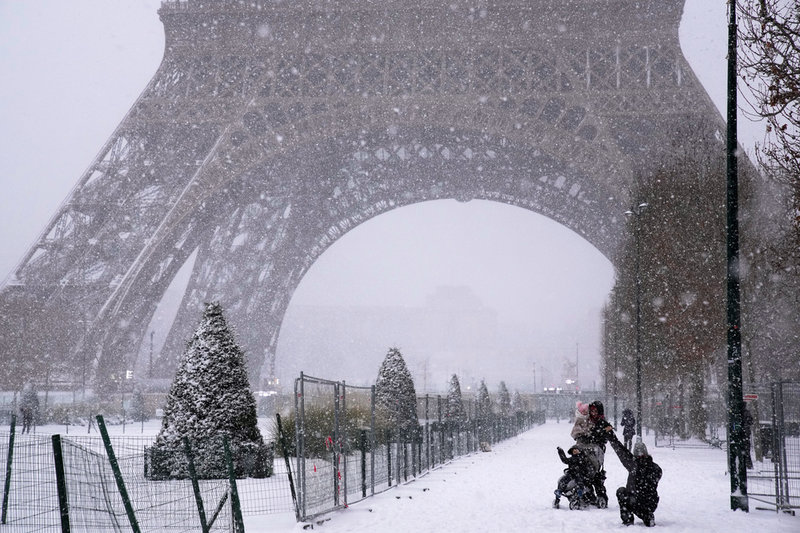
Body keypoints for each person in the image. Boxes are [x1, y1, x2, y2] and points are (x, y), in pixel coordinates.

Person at [605, 427, 662, 527]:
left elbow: (621, 451)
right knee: (625, 493)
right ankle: (647, 516)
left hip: (637, 501)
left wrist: (611, 435)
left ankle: (629, 519)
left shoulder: (634, 464)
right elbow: (621, 450)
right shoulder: (655, 467)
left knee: (621, 492)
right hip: (649, 502)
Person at [573, 400, 613, 507]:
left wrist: (597, 435)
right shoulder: (587, 421)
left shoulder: (602, 422)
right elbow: (578, 433)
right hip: (585, 452)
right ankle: (589, 496)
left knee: (596, 476)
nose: (593, 413)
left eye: (595, 411)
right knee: (586, 474)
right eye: (592, 411)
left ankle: (600, 497)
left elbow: (603, 436)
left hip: (596, 453)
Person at [553, 444, 595, 509]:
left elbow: (587, 468)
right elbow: (565, 460)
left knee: (579, 482)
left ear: (580, 451)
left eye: (576, 450)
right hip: (571, 474)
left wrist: (584, 472)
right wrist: (560, 452)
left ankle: (580, 495)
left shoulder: (583, 458)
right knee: (562, 481)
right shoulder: (572, 459)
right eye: (573, 450)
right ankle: (559, 492)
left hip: (580, 475)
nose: (575, 451)